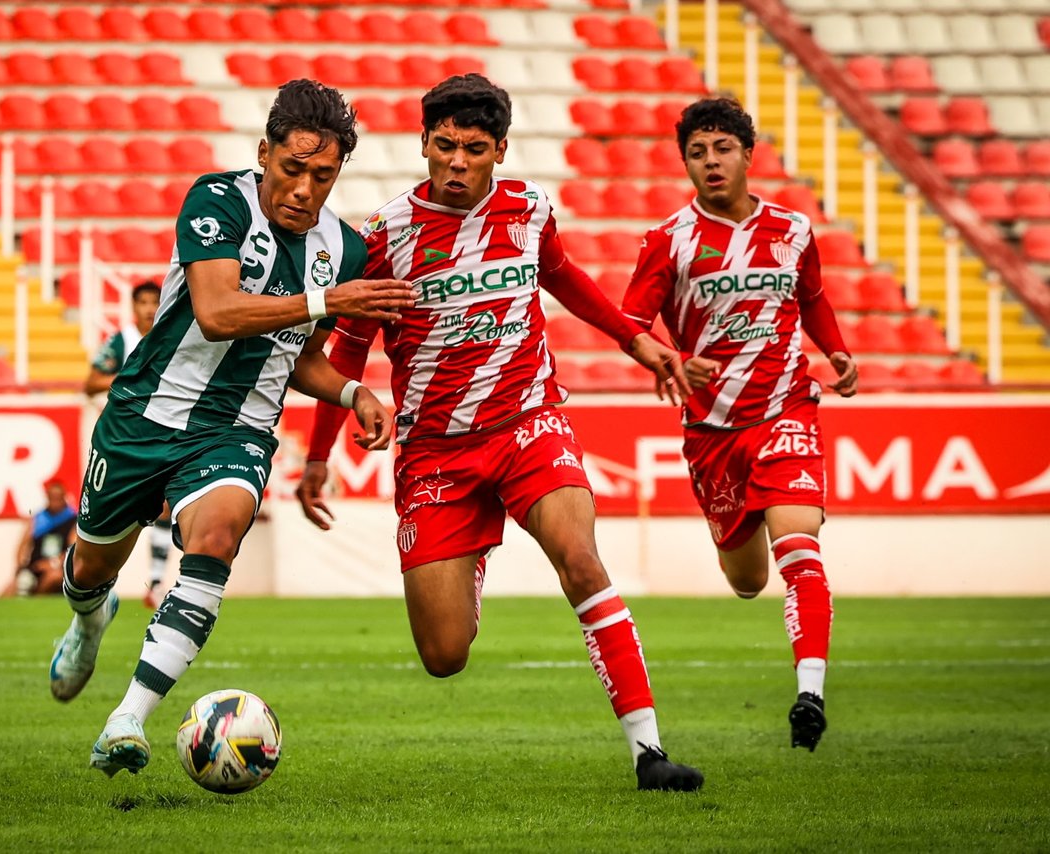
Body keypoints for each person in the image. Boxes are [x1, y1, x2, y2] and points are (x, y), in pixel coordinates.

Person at [296, 74, 703, 792]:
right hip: (436, 455)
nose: (456, 162)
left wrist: (634, 340)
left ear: (501, 151)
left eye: (474, 149)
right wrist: (318, 455)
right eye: (444, 146)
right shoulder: (388, 235)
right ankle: (472, 553)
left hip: (527, 424)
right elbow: (351, 349)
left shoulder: (528, 209)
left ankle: (649, 751)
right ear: (423, 143)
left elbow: (564, 275)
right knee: (444, 654)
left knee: (581, 559)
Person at [48, 79, 417, 778]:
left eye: (323, 175)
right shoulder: (216, 201)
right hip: (144, 417)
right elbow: (218, 312)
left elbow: (299, 354)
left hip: (236, 430)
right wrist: (326, 299)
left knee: (216, 539)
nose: (305, 189)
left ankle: (127, 719)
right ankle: (89, 618)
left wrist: (351, 390)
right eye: (292, 169)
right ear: (263, 154)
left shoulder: (344, 248)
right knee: (93, 566)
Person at [621, 97, 859, 752]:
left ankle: (809, 693)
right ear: (686, 164)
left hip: (787, 407)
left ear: (747, 155)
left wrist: (834, 349)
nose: (710, 162)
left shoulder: (793, 230)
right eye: (697, 152)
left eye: (722, 148)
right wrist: (669, 359)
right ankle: (755, 568)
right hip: (712, 431)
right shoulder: (668, 240)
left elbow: (811, 298)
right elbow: (629, 324)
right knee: (748, 581)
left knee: (800, 548)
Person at [83, 281, 173, 608]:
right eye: (143, 302)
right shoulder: (122, 341)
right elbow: (91, 383)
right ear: (133, 307)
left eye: (155, 302)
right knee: (113, 512)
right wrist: (131, 378)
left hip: (163, 435)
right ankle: (98, 583)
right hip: (122, 440)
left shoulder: (171, 334)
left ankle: (157, 583)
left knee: (165, 505)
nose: (150, 308)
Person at [3, 479, 76, 597]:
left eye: (58, 497)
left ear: (64, 497)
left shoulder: (72, 520)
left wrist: (53, 563)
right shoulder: (37, 519)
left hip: (58, 568)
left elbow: (74, 549)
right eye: (52, 497)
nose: (55, 501)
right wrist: (21, 567)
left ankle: (35, 601)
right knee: (12, 588)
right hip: (36, 566)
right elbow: (22, 546)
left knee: (53, 578)